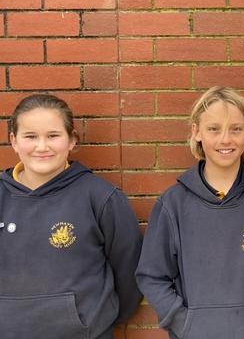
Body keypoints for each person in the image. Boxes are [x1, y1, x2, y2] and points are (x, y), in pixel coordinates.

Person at [136, 86, 244, 339]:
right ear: (197, 132)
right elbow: (152, 275)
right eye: (214, 129)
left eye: (235, 129)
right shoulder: (173, 203)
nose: (225, 139)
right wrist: (184, 324)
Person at [0, 93, 142, 339]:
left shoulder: (101, 198)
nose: (41, 146)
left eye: (53, 136)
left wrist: (91, 321)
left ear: (71, 140)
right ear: (13, 141)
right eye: (30, 136)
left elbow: (130, 274)